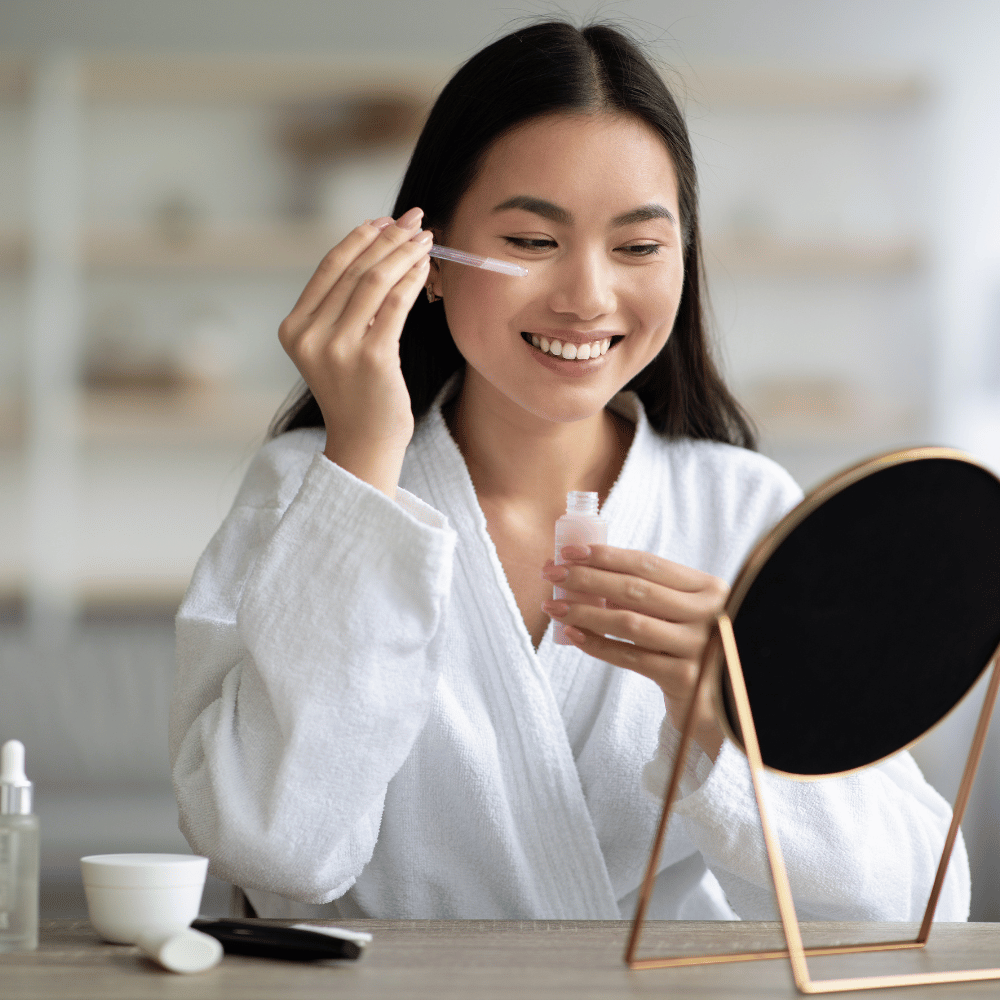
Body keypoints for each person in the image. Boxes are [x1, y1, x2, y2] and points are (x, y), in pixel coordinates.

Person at [169, 20, 969, 921]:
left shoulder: (745, 511)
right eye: (531, 241)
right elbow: (275, 852)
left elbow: (908, 900)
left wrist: (723, 725)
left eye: (637, 247)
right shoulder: (304, 490)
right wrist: (360, 466)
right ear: (427, 259)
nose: (587, 296)